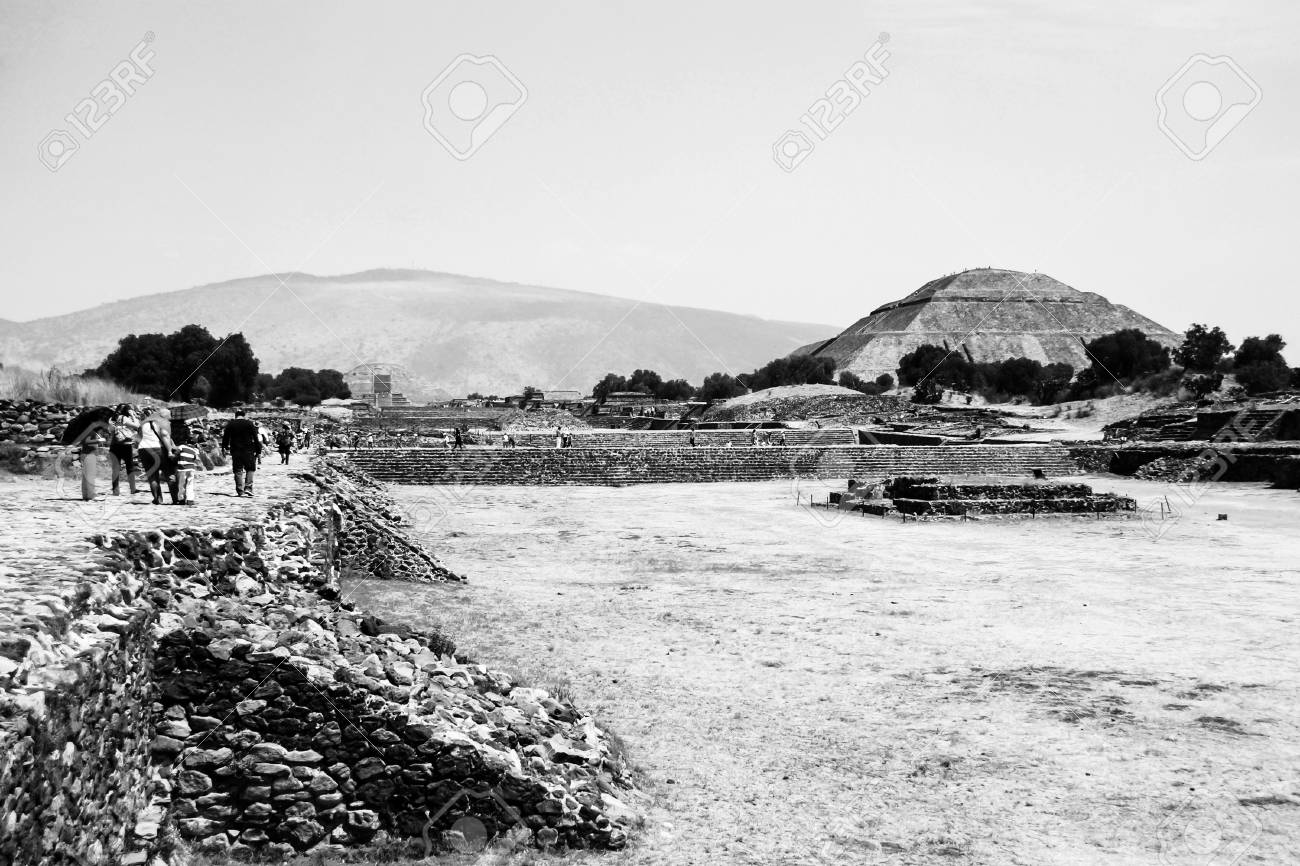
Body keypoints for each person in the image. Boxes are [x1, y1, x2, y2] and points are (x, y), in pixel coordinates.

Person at [135, 407, 177, 505]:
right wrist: (170, 451)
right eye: (169, 416)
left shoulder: (143, 423)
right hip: (158, 449)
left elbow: (138, 438)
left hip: (144, 450)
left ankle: (157, 499)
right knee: (169, 473)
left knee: (152, 476)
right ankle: (176, 499)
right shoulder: (162, 422)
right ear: (164, 416)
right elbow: (164, 435)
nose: (170, 418)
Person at [221, 408, 262, 497]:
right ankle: (248, 488)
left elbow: (226, 438)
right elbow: (255, 438)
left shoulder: (230, 424)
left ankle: (240, 491)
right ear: (244, 415)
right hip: (248, 450)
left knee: (238, 470)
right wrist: (258, 451)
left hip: (235, 450)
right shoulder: (249, 424)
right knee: (250, 469)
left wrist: (224, 448)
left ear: (235, 416)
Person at [108, 404, 140, 496]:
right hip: (125, 445)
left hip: (114, 445)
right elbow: (137, 426)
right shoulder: (124, 418)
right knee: (130, 468)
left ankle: (115, 490)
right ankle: (133, 489)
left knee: (115, 469)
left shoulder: (111, 419)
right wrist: (133, 416)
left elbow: (110, 431)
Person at [174, 428, 204, 505]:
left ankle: (181, 499)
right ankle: (190, 499)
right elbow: (195, 459)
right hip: (191, 468)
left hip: (182, 468)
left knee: (181, 484)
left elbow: (176, 453)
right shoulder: (194, 450)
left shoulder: (182, 447)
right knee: (190, 484)